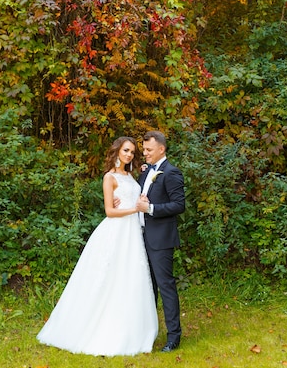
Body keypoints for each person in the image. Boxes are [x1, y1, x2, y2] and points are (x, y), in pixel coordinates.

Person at [36, 136, 158, 356]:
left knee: (130, 277)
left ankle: (132, 329)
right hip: (117, 230)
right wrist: (135, 209)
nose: (129, 154)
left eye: (132, 151)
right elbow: (110, 211)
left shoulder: (131, 176)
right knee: (108, 277)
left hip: (132, 234)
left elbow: (139, 188)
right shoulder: (109, 178)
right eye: (125, 151)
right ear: (117, 152)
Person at [135, 130, 186, 352]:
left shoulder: (172, 173)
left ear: (161, 149)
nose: (144, 153)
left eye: (148, 150)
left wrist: (151, 208)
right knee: (147, 288)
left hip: (161, 239)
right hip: (140, 237)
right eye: (144, 149)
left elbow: (178, 205)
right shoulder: (146, 172)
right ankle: (148, 331)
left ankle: (174, 336)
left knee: (165, 287)